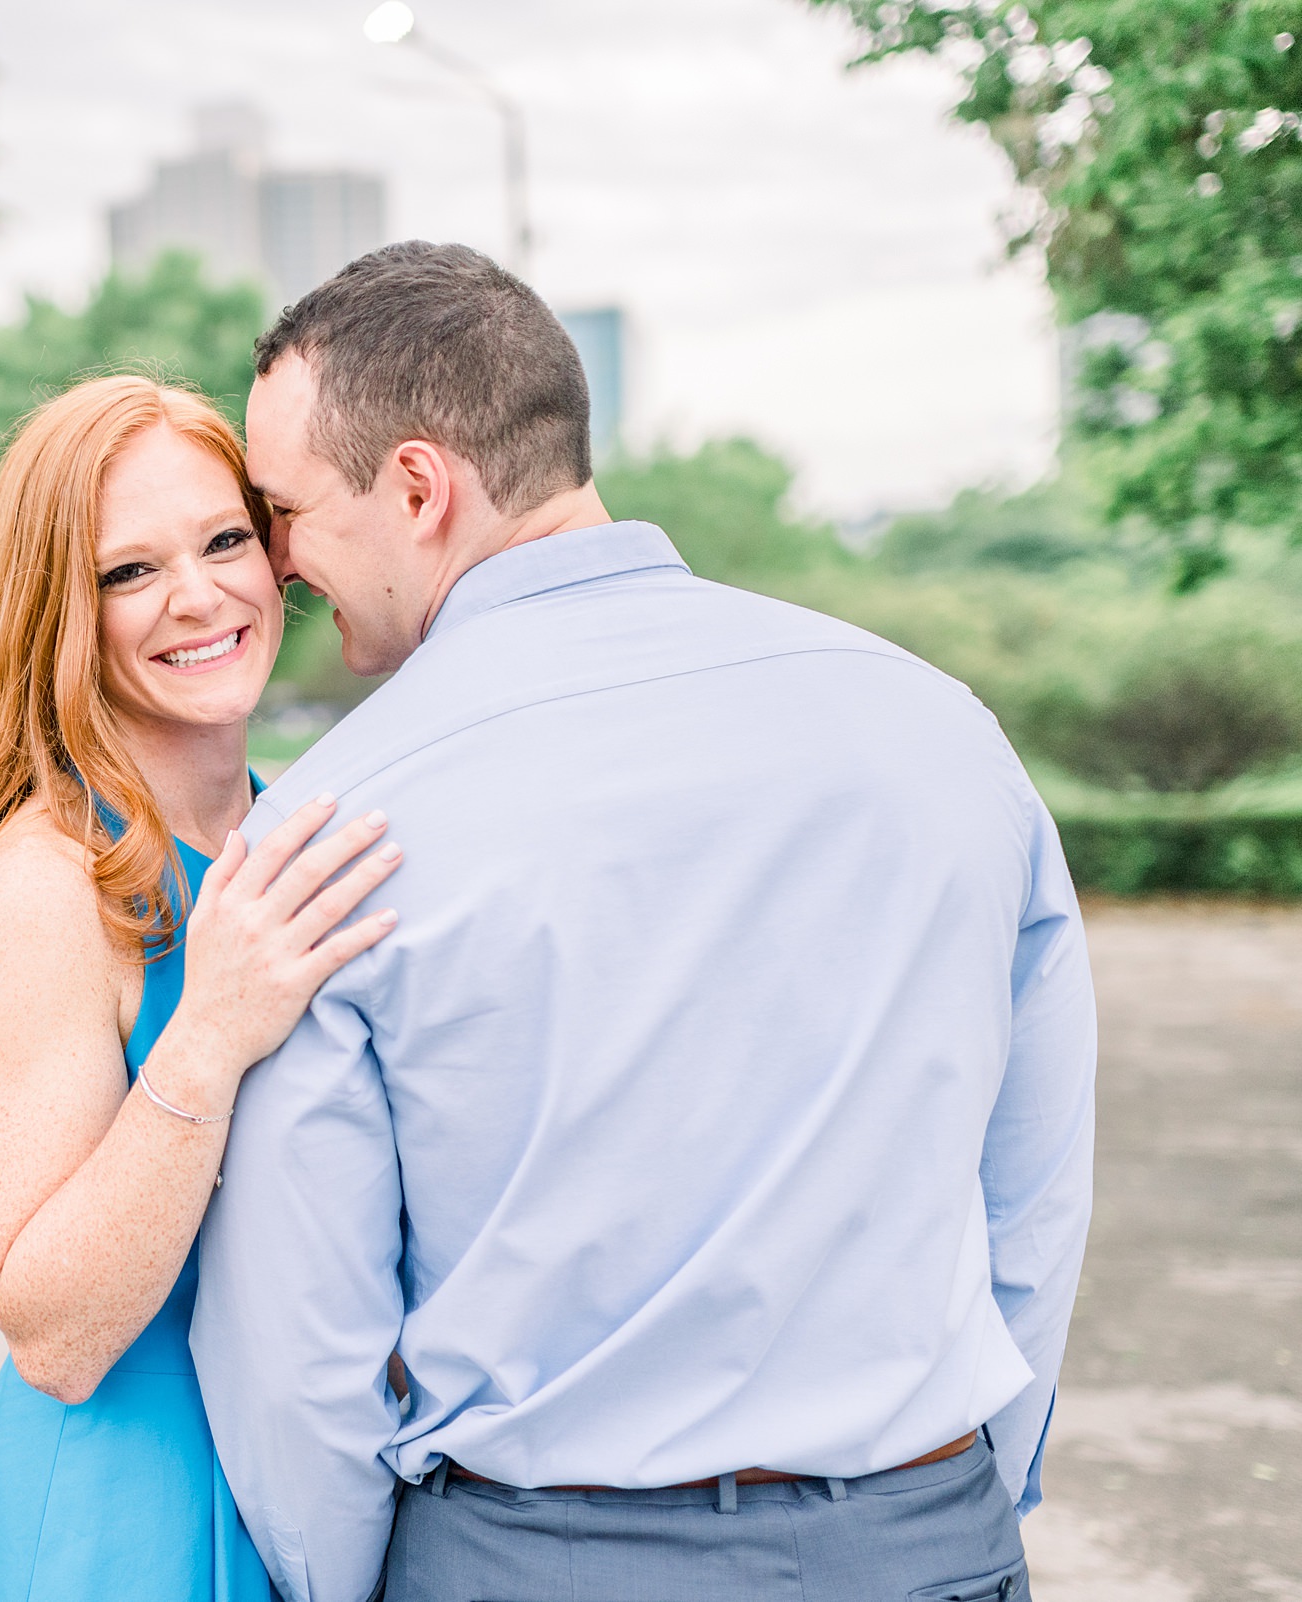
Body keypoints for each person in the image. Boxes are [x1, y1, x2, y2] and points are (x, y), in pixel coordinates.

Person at [190, 241, 1097, 1602]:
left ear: (421, 487)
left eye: (284, 511)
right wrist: (956, 1491)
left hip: (526, 1558)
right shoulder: (942, 733)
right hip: (920, 1538)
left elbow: (301, 1342)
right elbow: (1033, 1190)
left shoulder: (323, 830)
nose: (276, 561)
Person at [0, 374, 406, 1600]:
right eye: (128, 572)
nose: (199, 596)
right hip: (130, 1526)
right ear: (60, 609)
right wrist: (210, 1033)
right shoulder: (45, 884)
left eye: (226, 539)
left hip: (319, 1495)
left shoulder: (297, 831)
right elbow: (55, 1335)